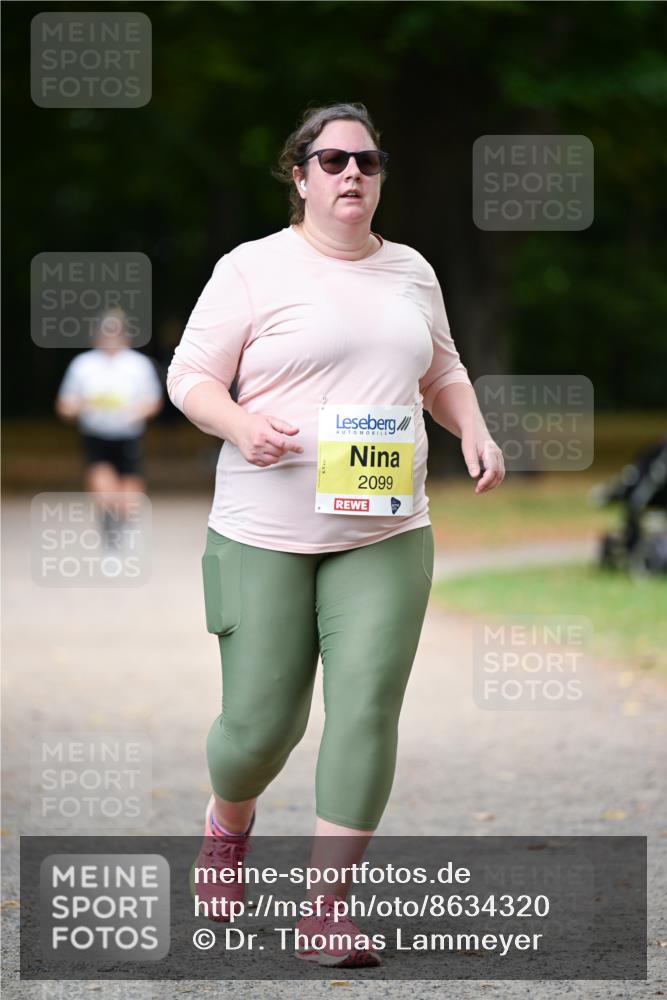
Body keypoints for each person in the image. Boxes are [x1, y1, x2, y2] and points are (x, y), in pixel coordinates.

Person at [167, 102, 505, 968]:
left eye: (367, 160)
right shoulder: (251, 269)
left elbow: (441, 368)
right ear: (298, 174)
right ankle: (227, 821)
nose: (351, 174)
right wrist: (240, 428)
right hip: (262, 528)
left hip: (386, 530)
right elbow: (191, 377)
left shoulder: (410, 272)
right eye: (331, 161)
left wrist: (469, 425)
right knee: (259, 729)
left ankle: (326, 908)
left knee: (363, 710)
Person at [55, 308, 163, 545]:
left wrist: (136, 412)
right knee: (103, 483)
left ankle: (122, 522)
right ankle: (109, 520)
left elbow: (154, 401)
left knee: (131, 492)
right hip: (96, 434)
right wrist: (79, 407)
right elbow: (65, 404)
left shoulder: (139, 365)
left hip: (128, 434)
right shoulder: (83, 365)